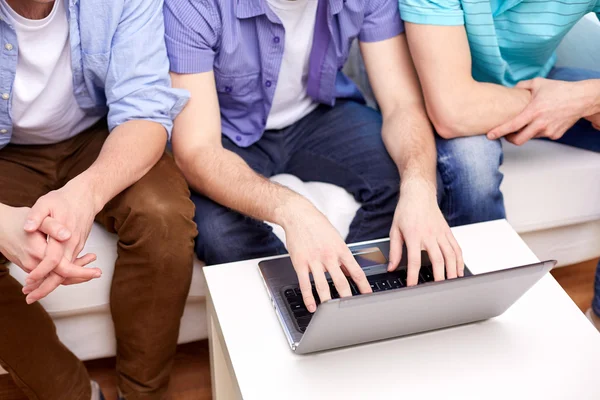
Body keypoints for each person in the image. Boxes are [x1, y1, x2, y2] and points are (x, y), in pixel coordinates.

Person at [164, 0, 468, 312]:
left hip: (318, 114)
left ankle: (355, 295)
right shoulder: (192, 5)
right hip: (223, 132)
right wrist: (294, 210)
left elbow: (402, 104)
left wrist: (419, 186)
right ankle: (299, 307)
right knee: (220, 235)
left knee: (412, 185)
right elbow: (197, 149)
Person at [0, 0, 197, 398]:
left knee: (163, 218)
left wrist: (84, 195)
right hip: (7, 157)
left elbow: (144, 113)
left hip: (99, 136)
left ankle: (142, 394)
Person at [398, 0, 600, 330]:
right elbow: (453, 108)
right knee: (473, 167)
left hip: (534, 81)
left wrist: (585, 97)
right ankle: (479, 324)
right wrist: (561, 104)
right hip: (433, 90)